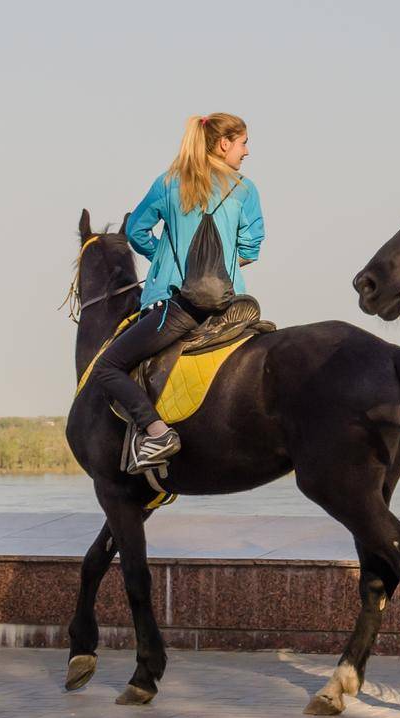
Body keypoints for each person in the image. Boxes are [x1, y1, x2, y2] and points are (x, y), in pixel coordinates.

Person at [90, 112, 264, 474]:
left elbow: (137, 231)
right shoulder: (244, 189)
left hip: (180, 307)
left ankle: (156, 433)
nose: (247, 151)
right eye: (244, 142)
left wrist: (164, 260)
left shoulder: (169, 182)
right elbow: (250, 248)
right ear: (224, 143)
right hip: (231, 305)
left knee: (107, 365)